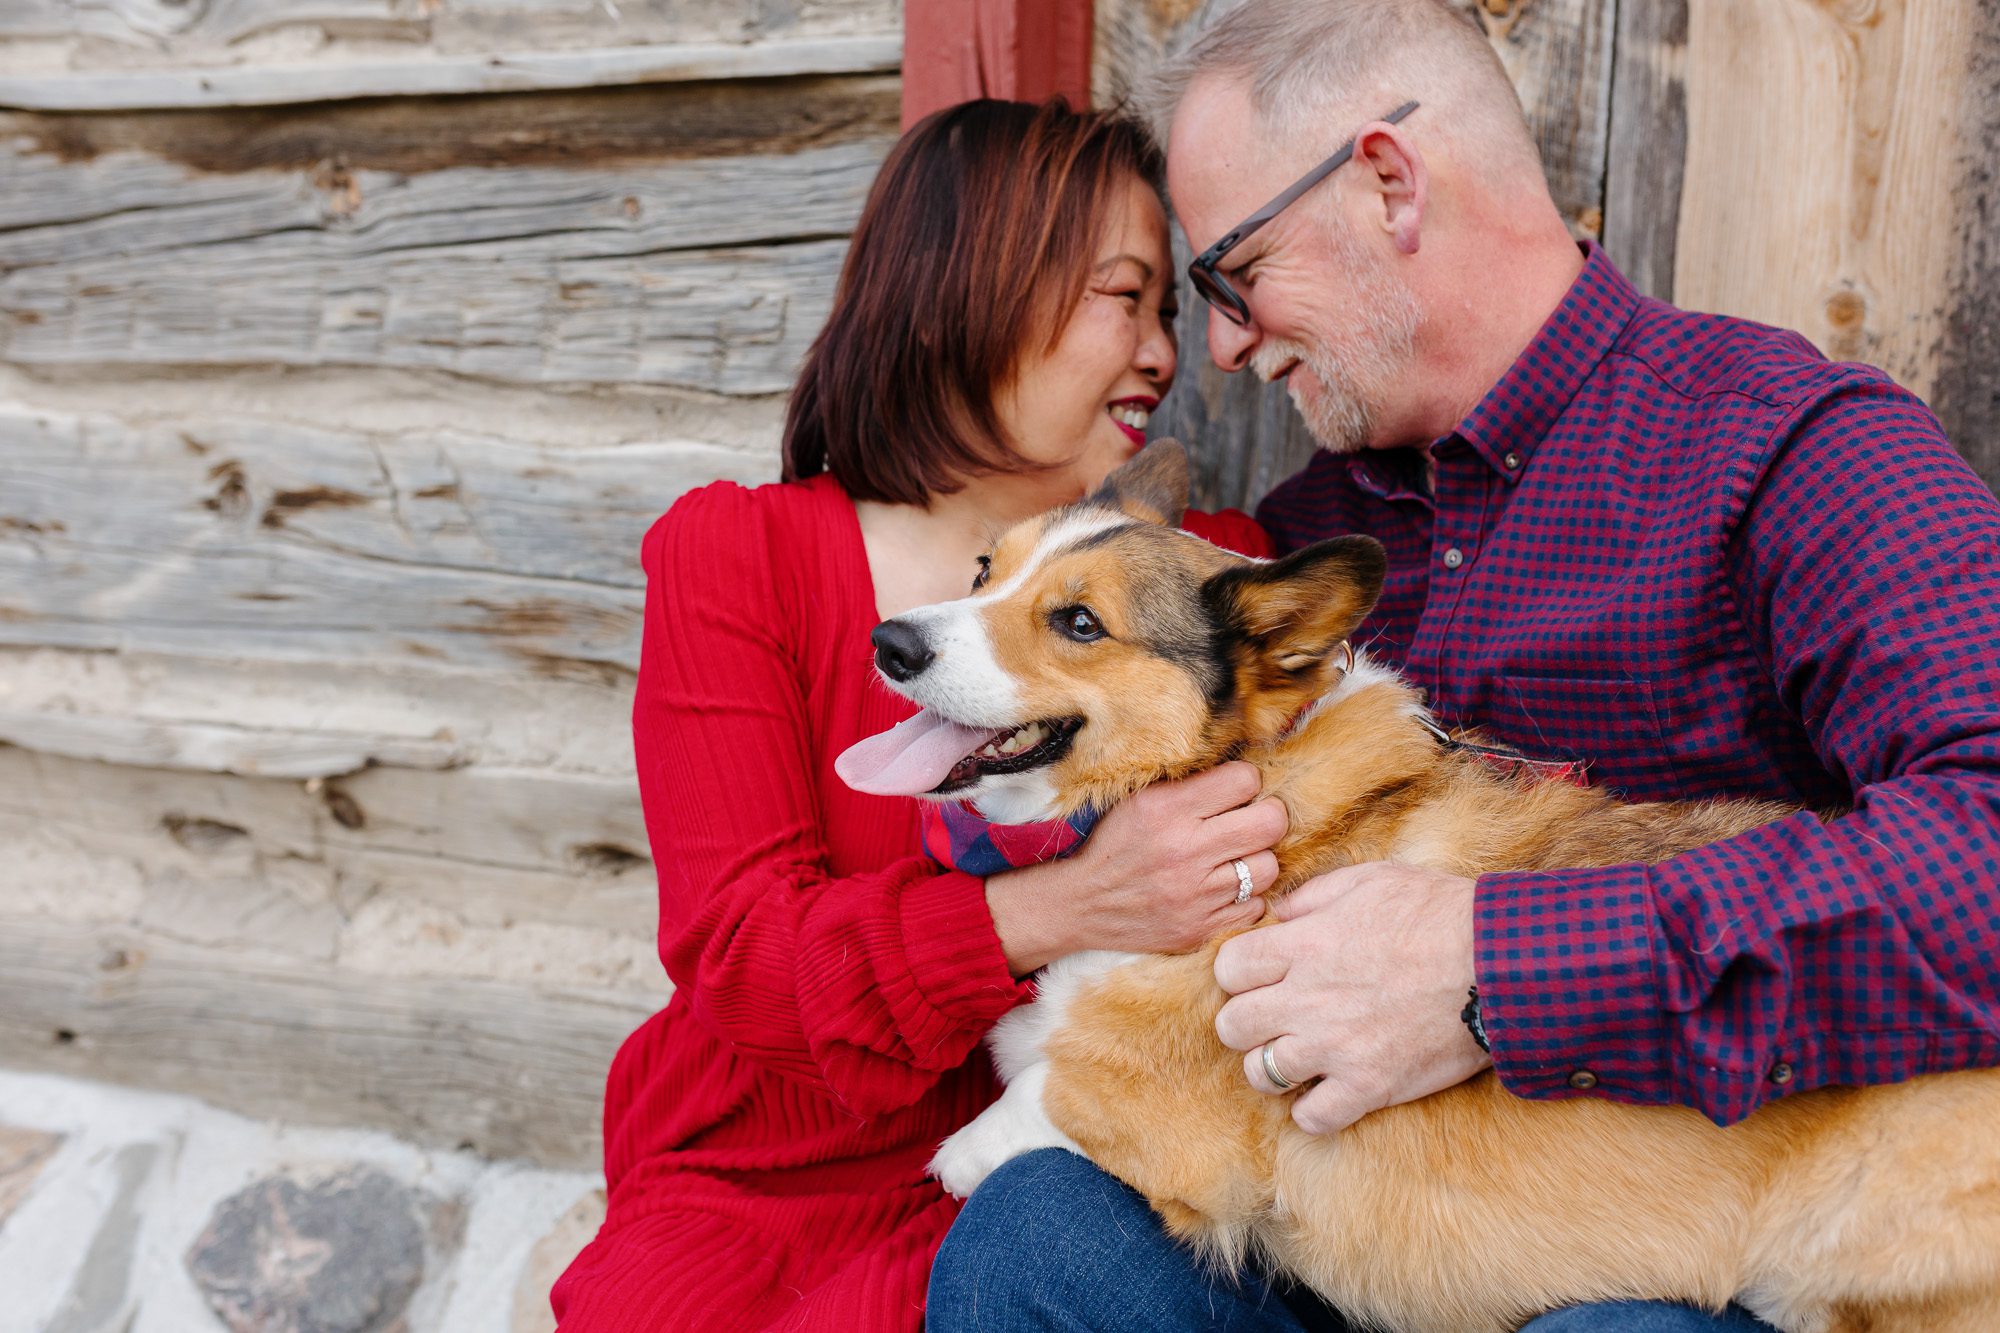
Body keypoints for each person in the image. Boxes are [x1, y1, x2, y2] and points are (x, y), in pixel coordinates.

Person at [928, 1, 2000, 1329]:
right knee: (1029, 1239)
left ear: (1386, 184)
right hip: (1341, 1221)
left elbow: (1990, 846)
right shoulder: (1304, 535)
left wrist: (1497, 968)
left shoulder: (1795, 456)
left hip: (1647, 1232)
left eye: (1231, 276)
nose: (1220, 347)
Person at [548, 99, 1290, 1331]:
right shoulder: (742, 556)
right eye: (1125, 296)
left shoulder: (1206, 576)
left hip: (1069, 1156)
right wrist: (1064, 906)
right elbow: (742, 960)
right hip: (756, 1174)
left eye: (1165, 308)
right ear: (973, 288)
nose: (1164, 352)